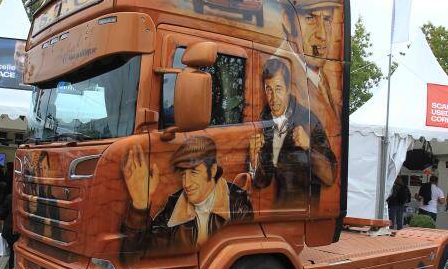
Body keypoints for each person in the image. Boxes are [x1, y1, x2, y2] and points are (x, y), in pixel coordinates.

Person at [121, 136, 253, 257]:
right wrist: (140, 205)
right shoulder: (174, 208)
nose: (186, 183)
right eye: (183, 174)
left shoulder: (237, 204)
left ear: (212, 170)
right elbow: (134, 258)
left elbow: (245, 261)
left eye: (194, 172)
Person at [249, 58, 337, 208]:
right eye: (269, 89)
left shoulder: (307, 120)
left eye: (278, 89)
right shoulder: (265, 120)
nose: (273, 98)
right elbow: (263, 182)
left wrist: (308, 146)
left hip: (304, 214)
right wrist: (254, 160)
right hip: (279, 212)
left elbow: (330, 176)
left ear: (288, 89)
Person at [0, 191, 19, 269]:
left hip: (10, 229)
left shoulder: (10, 197)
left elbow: (2, 214)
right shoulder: (28, 198)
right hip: (23, 230)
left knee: (12, 254)